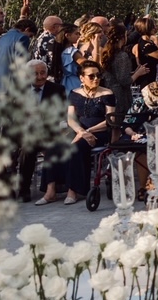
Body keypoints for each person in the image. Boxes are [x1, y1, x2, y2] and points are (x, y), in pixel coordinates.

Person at [39, 61, 114, 206]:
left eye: (98, 75)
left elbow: (109, 120)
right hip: (78, 131)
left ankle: (73, 190)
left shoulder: (107, 93)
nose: (96, 79)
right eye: (91, 76)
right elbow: (71, 119)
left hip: (99, 131)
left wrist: (87, 132)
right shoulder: (74, 94)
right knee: (53, 147)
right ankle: (51, 190)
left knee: (76, 148)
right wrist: (81, 131)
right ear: (81, 78)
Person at [14, 59, 66, 203]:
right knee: (26, 149)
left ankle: (52, 189)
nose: (39, 77)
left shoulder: (57, 89)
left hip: (48, 133)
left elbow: (61, 114)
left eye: (43, 73)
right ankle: (22, 190)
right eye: (35, 73)